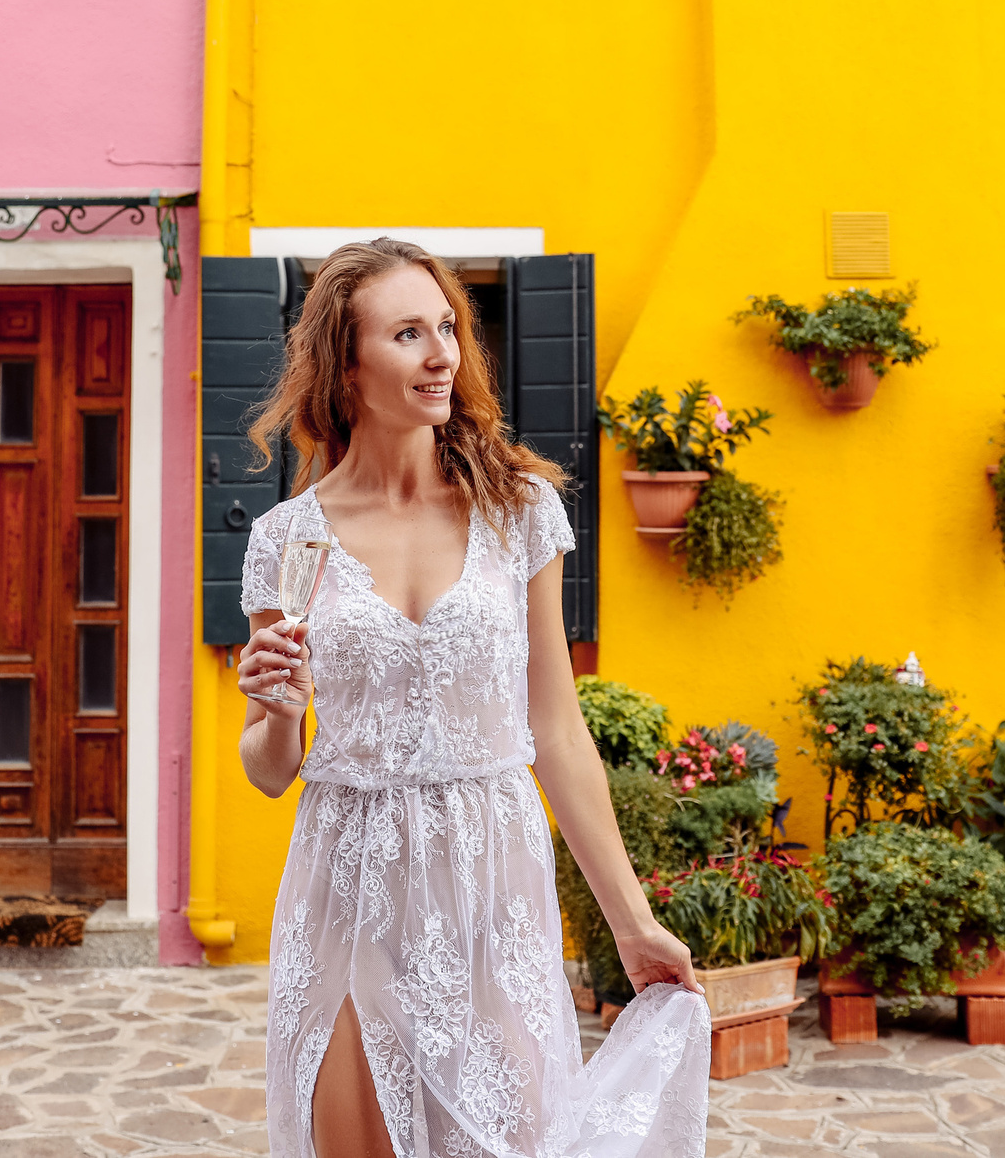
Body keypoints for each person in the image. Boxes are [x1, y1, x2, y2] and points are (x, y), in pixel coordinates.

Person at [233, 238, 711, 1158]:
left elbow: (557, 728)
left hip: (489, 876)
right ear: (346, 362)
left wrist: (631, 922)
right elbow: (267, 767)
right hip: (349, 880)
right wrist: (281, 707)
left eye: (447, 326)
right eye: (408, 332)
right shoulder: (288, 540)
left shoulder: (519, 510)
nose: (443, 352)